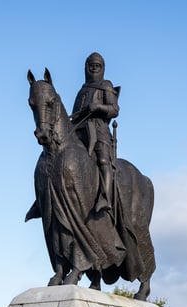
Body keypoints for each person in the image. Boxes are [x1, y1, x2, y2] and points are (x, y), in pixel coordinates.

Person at [70, 52, 120, 215]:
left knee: (103, 160)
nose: (94, 68)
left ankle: (105, 197)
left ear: (102, 68)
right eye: (91, 65)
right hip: (78, 130)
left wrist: (98, 107)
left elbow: (114, 110)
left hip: (98, 129)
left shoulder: (106, 85)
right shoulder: (82, 91)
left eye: (97, 65)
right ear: (86, 67)